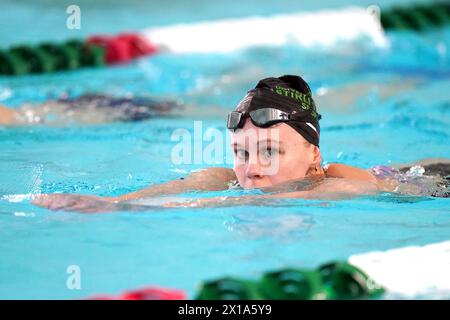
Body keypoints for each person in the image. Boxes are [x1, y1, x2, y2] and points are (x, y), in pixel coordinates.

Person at [31, 75, 449, 213]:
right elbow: (179, 187)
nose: (252, 167)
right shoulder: (228, 178)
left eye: (271, 151)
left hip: (433, 180)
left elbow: (246, 204)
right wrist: (113, 204)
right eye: (242, 152)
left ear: (314, 156)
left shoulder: (337, 186)